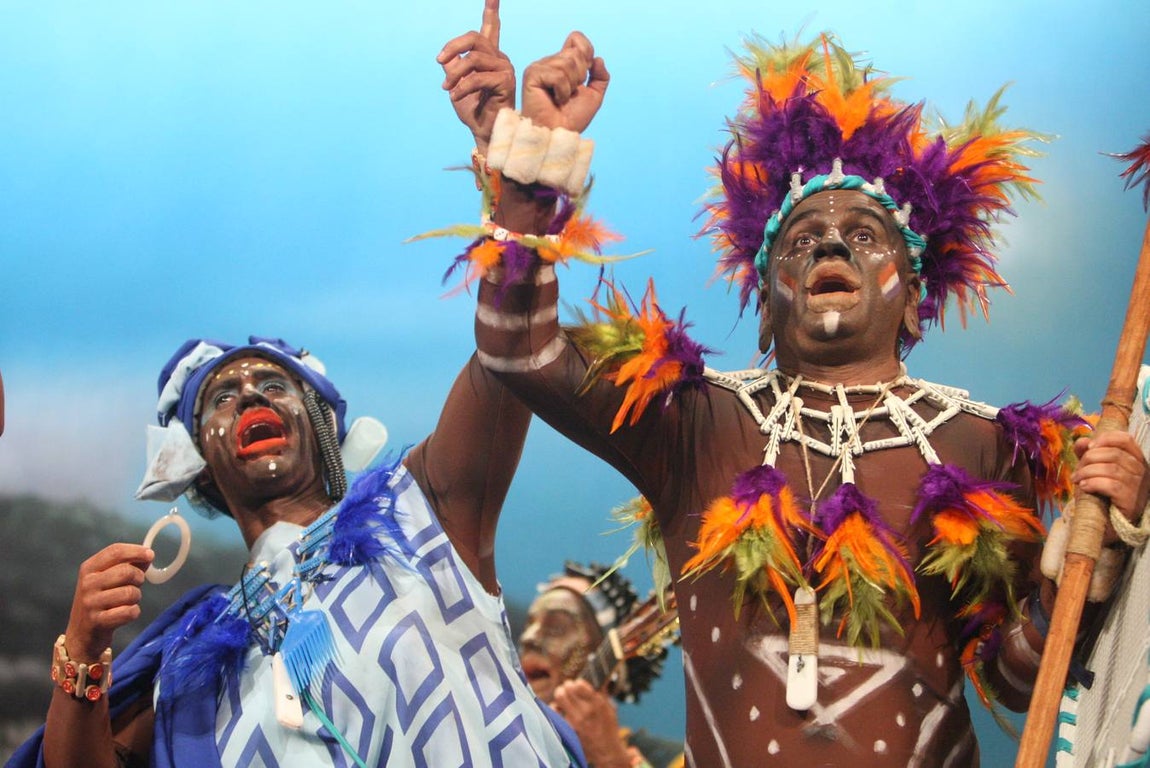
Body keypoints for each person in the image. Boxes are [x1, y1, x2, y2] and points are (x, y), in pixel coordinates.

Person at [437, 6, 1150, 765]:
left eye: (865, 234)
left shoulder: (979, 446)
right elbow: (520, 348)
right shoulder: (693, 424)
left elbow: (1016, 681)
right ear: (767, 306)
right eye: (802, 239)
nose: (832, 242)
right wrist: (530, 166)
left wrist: (1086, 562)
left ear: (913, 297)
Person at [8, 334, 585, 767]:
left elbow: (510, 351)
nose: (251, 394)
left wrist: (516, 234)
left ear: (321, 428)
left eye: (276, 385)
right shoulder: (186, 667)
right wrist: (83, 647)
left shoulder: (421, 513)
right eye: (223, 397)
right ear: (200, 463)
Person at [520, 561, 683, 768]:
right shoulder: (493, 742)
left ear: (606, 662)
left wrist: (612, 759)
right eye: (530, 625)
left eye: (556, 628)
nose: (529, 638)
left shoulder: (673, 760)